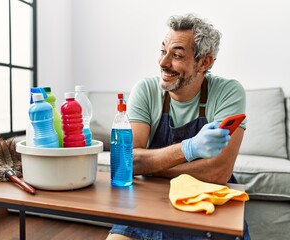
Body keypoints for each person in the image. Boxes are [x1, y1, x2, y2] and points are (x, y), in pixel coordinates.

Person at [106, 13, 250, 240]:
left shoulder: (228, 93)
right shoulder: (146, 90)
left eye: (177, 55)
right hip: (150, 203)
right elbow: (127, 161)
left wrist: (150, 166)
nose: (163, 63)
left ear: (204, 62)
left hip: (207, 205)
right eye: (163, 51)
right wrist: (189, 148)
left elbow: (218, 172)